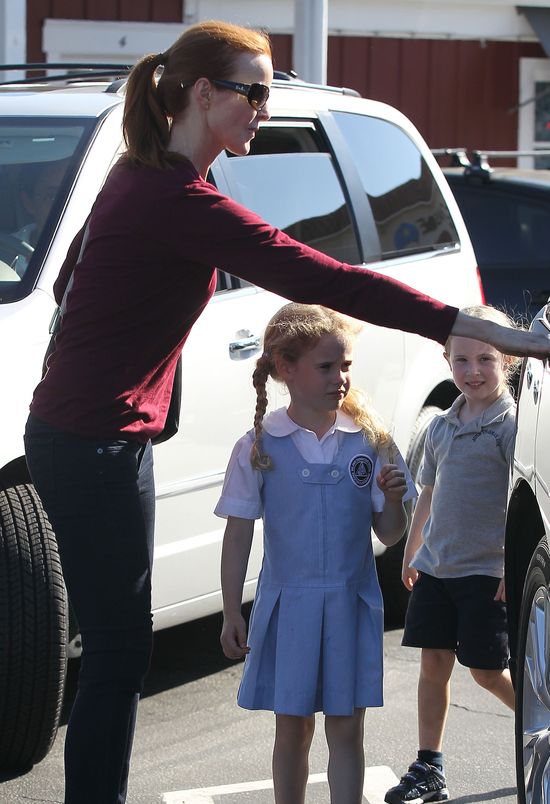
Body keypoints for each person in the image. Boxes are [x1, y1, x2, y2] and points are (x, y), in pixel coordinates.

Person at [21, 19, 550, 804]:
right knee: (118, 653)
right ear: (204, 94)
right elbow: (331, 278)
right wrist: (504, 335)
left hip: (105, 435)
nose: (264, 109)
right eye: (255, 93)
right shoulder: (174, 197)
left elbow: (70, 286)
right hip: (89, 440)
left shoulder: (146, 178)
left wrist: (137, 383)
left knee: (117, 652)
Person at [217, 302, 417, 804]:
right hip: (290, 610)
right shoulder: (258, 446)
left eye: (345, 365)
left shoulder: (371, 441)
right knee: (293, 733)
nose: (340, 377)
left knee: (347, 732)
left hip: (350, 606)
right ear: (286, 368)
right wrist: (229, 611)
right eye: (327, 366)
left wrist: (393, 500)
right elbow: (238, 534)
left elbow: (390, 535)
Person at [385, 304, 519, 804]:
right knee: (434, 662)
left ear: (508, 361)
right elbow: (428, 493)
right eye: (461, 360)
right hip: (437, 567)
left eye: (486, 358)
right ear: (446, 361)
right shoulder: (441, 426)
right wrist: (410, 552)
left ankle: (540, 721)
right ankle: (429, 766)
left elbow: (520, 503)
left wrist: (512, 563)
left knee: (486, 670)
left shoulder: (511, 428)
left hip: (488, 570)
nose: (473, 371)